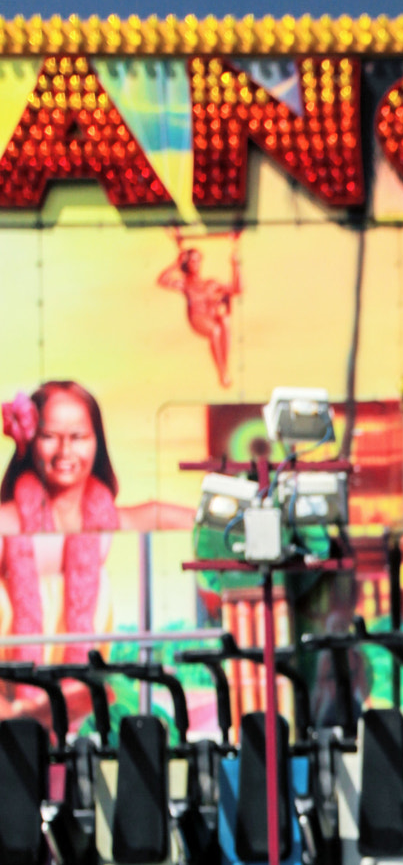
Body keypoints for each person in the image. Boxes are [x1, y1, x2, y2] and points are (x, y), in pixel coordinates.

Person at [0, 380, 192, 669]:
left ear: (96, 442)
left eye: (78, 436)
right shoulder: (6, 524)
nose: (65, 450)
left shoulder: (105, 522)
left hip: (82, 692)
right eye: (49, 435)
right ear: (30, 442)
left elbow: (160, 514)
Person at [156, 233, 242, 389]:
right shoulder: (186, 283)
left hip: (210, 316)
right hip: (197, 318)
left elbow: (237, 289)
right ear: (187, 263)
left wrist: (236, 266)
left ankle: (225, 368)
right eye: (192, 261)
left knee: (225, 321)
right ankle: (222, 372)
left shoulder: (210, 283)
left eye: (198, 260)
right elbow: (162, 281)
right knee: (215, 330)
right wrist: (176, 263)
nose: (196, 264)